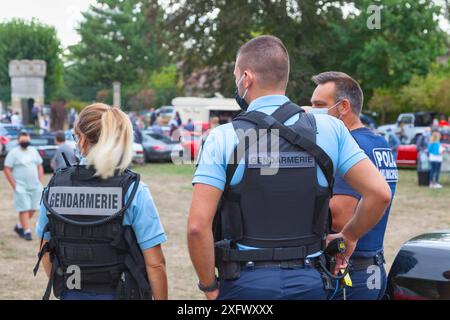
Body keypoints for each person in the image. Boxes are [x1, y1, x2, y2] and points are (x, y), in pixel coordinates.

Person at [187, 35, 392, 300]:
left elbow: (197, 226)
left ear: (246, 78)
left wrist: (209, 286)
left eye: (236, 75)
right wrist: (349, 235)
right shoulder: (331, 129)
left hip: (245, 282)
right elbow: (380, 194)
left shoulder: (222, 137)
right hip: (310, 280)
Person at [34, 103, 168, 300]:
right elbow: (155, 264)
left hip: (73, 291)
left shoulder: (54, 186)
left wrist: (66, 289)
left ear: (82, 139)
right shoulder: (134, 190)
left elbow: (45, 251)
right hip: (121, 292)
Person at [310, 71, 398, 300]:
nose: (313, 111)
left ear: (343, 107)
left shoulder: (352, 145)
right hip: (372, 266)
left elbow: (341, 215)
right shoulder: (379, 142)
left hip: (347, 271)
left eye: (320, 105)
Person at [3, 131, 44, 241]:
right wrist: (14, 185)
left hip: (35, 186)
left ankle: (19, 226)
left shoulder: (33, 151)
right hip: (20, 186)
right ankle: (27, 232)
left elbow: (39, 165)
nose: (25, 142)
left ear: (29, 140)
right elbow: (7, 168)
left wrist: (40, 180)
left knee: (33, 208)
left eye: (26, 140)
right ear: (18, 141)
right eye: (22, 140)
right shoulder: (13, 153)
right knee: (24, 208)